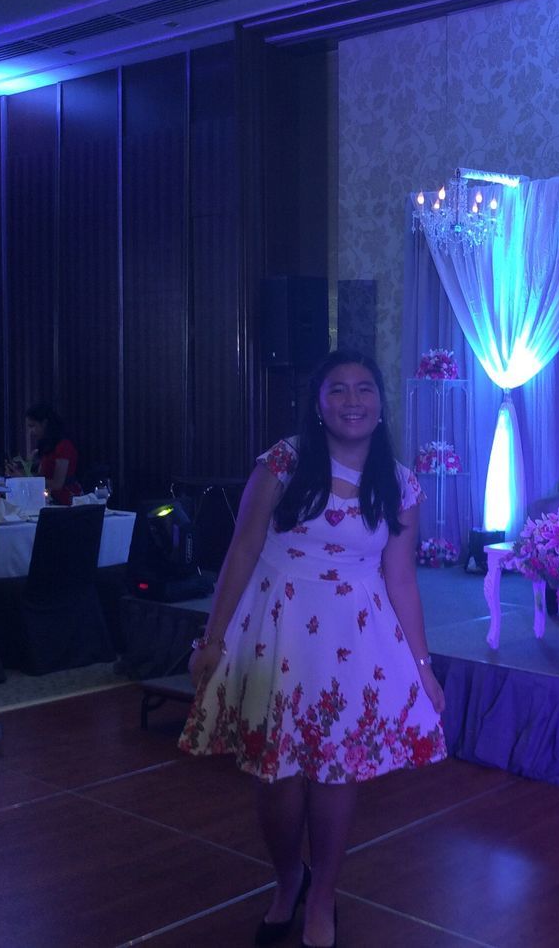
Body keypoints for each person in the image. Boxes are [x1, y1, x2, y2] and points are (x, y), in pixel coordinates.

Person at [180, 349, 446, 948]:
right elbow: (242, 551)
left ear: (380, 406)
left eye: (364, 390)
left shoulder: (400, 483)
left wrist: (422, 666)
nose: (353, 400)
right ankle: (287, 878)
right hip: (276, 626)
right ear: (319, 405)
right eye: (338, 390)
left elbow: (401, 579)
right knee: (275, 778)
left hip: (354, 637)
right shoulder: (285, 461)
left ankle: (323, 893)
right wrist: (212, 639)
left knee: (335, 772)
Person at [23, 403, 80, 505]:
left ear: (44, 423)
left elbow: (58, 484)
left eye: (32, 426)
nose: (31, 432)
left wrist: (26, 477)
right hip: (48, 499)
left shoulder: (63, 446)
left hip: (64, 501)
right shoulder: (48, 446)